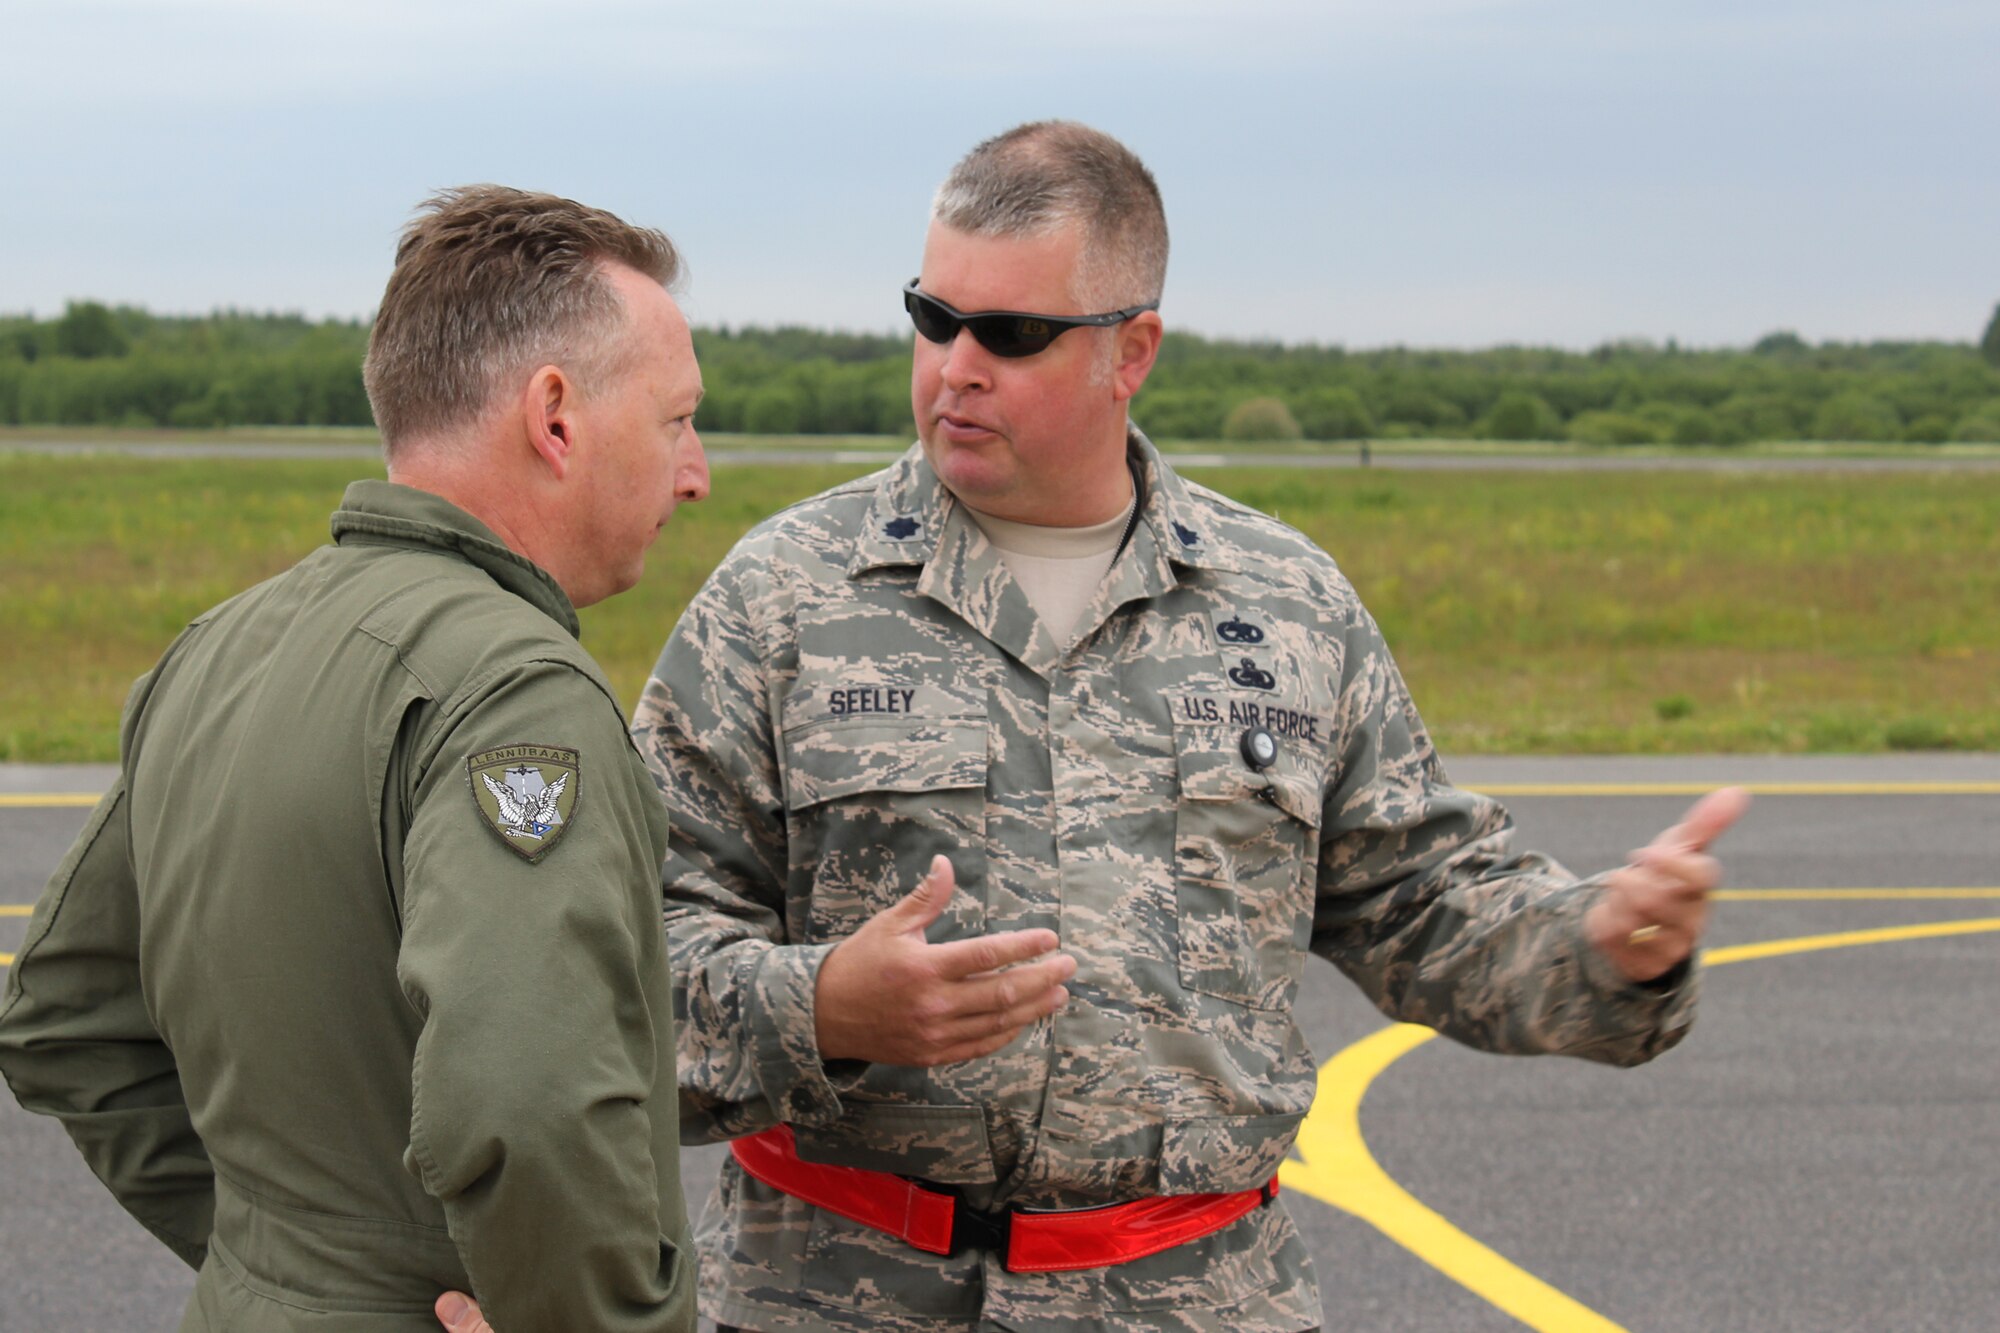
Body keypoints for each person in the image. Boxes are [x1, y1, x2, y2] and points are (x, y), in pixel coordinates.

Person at [607, 121, 1742, 1333]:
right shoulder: (784, 598)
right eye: (932, 318)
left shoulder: (1286, 607)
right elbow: (619, 961)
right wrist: (820, 1006)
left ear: (1130, 350)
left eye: (1013, 334)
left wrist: (1604, 945)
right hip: (835, 1294)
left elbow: (1422, 900)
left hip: (1189, 1299)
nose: (955, 366)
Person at [0, 186, 709, 1332]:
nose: (695, 472)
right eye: (676, 420)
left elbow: (61, 1014)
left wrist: (283, 1265)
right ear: (556, 416)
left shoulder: (215, 648)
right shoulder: (514, 694)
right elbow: (524, 1102)